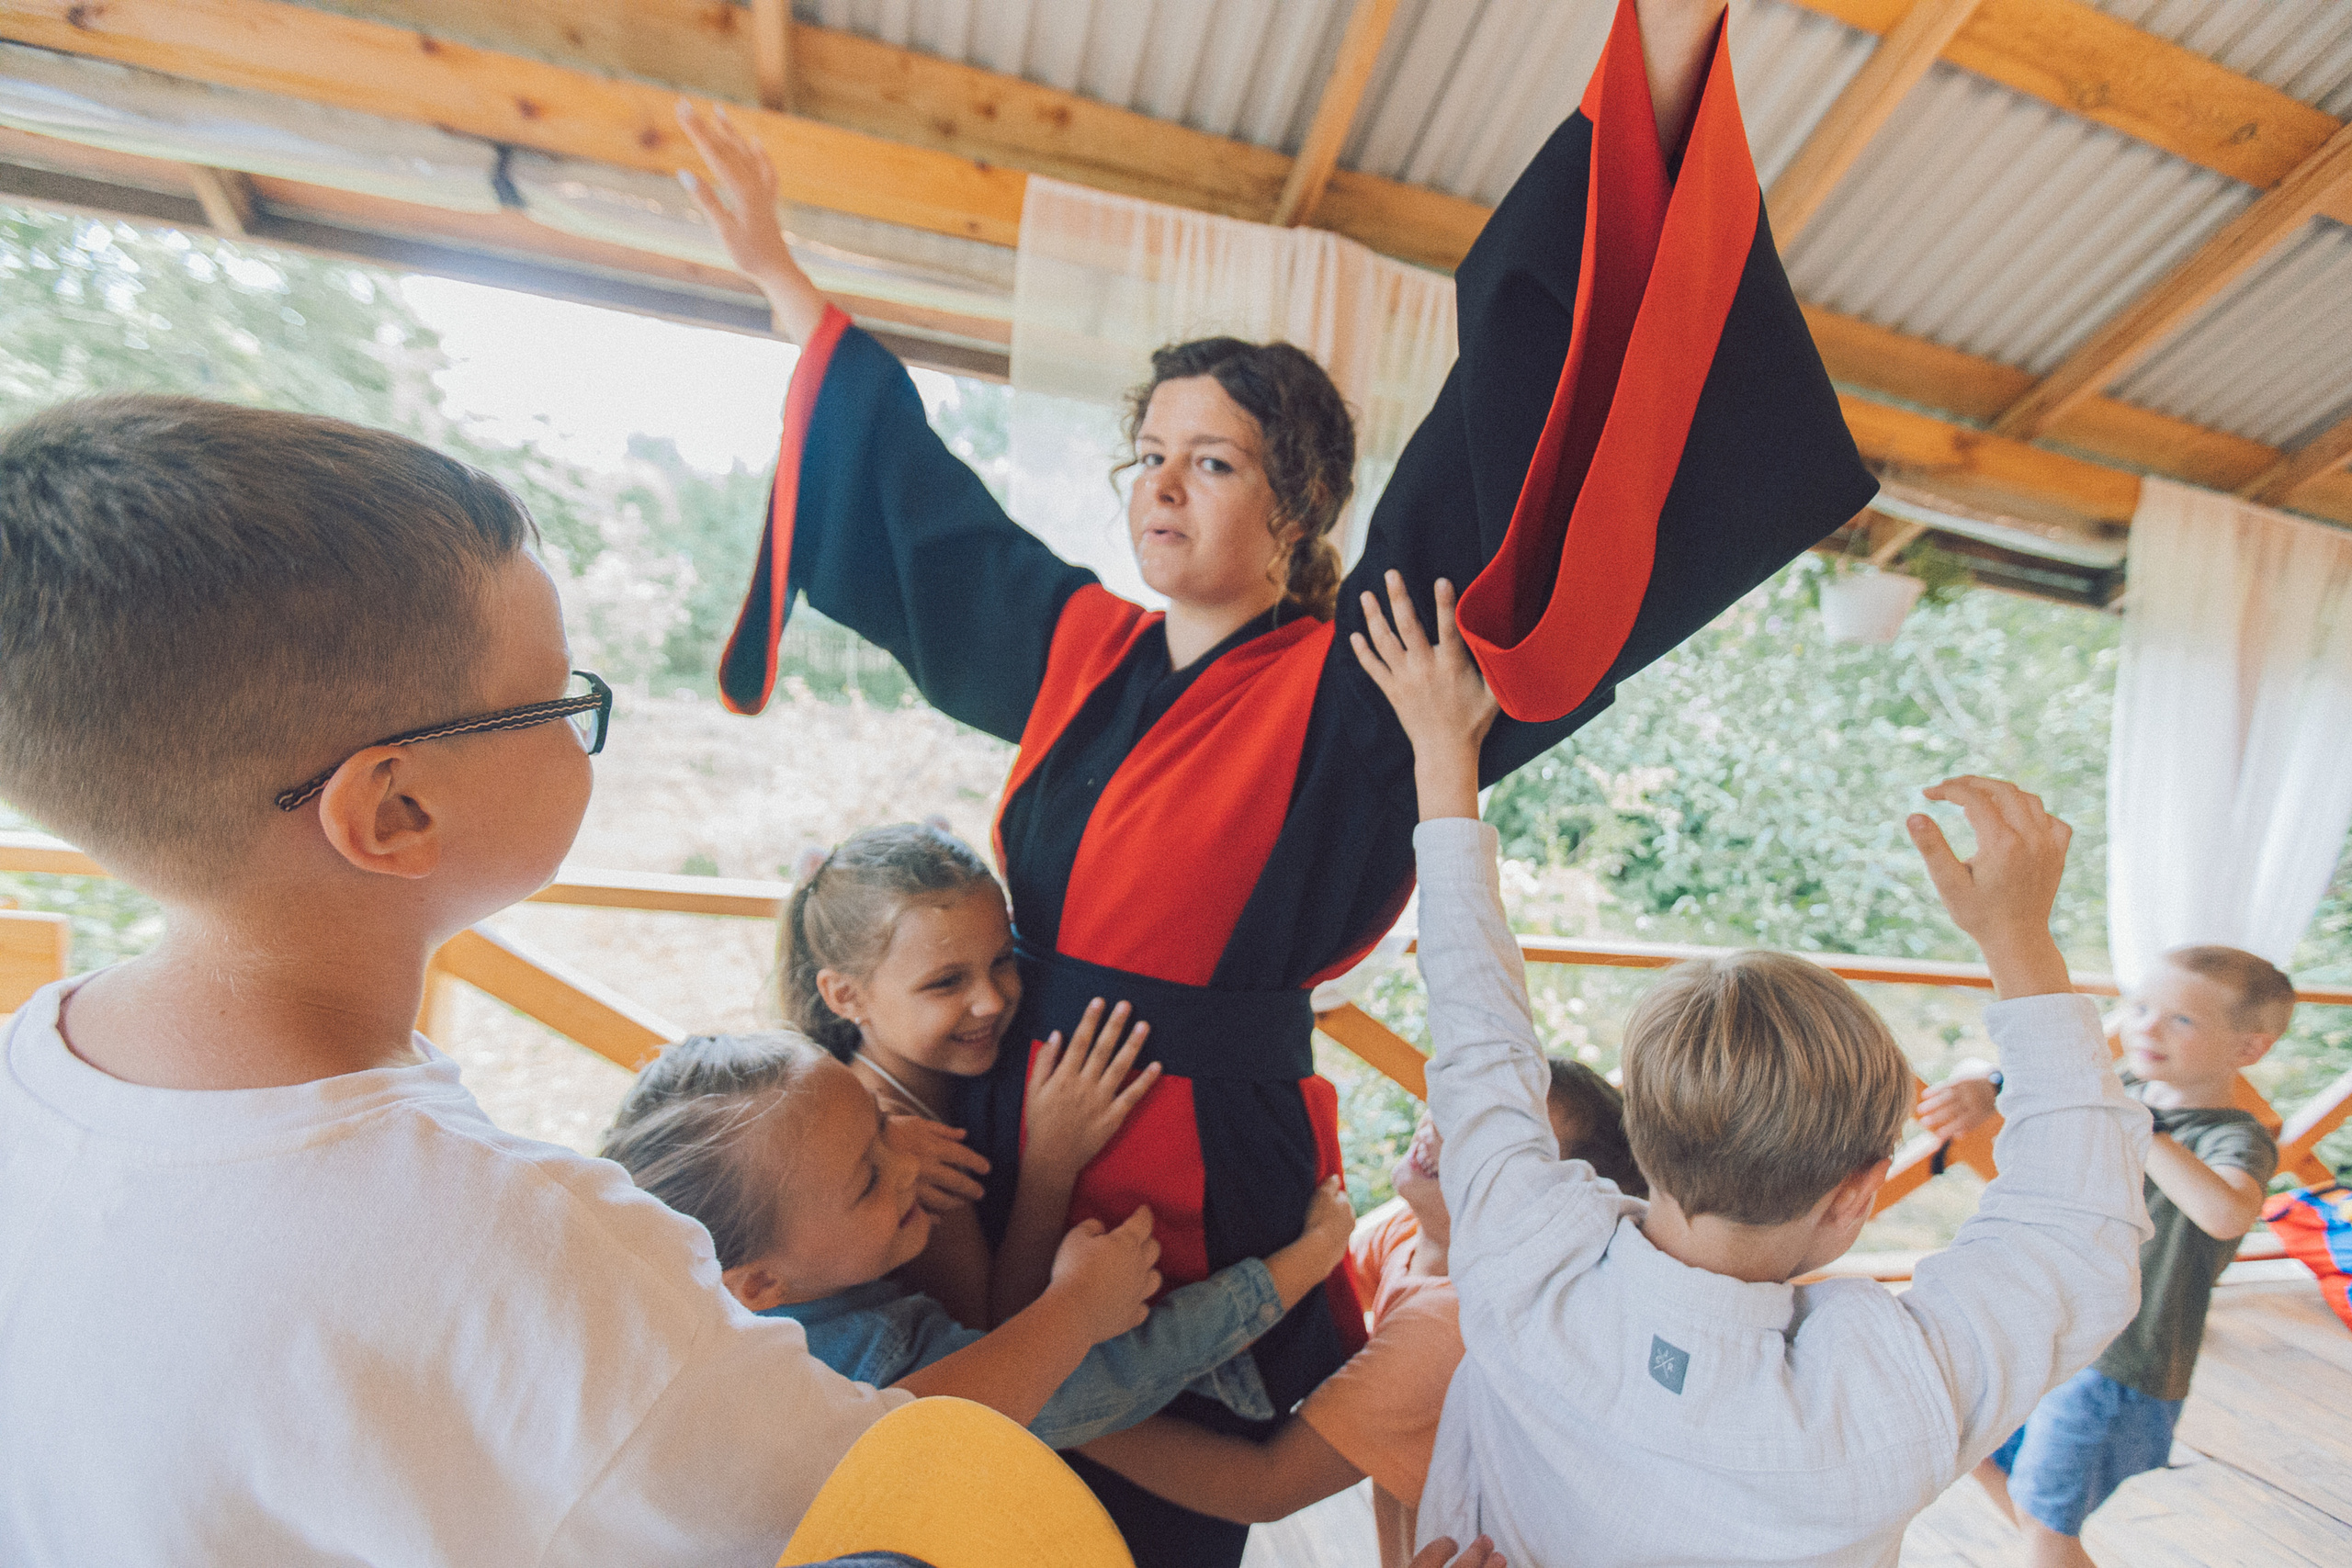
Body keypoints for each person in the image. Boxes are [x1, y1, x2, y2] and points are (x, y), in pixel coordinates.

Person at [681, 0, 1873, 1556]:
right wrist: (783, 279)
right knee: (977, 1486)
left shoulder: (1354, 667)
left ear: (1298, 505)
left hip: (1210, 1139)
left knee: (1170, 1498)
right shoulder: (1077, 646)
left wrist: (1648, 90)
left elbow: (1505, 440)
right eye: (1150, 454)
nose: (1164, 486)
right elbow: (924, 518)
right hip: (1025, 1103)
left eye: (1216, 459)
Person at [0, 396, 922, 1564]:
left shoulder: (28, 1083)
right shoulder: (538, 1263)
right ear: (395, 810)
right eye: (558, 696)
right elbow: (898, 1500)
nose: (585, 717)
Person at [1343, 572, 2153, 1566]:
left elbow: (1476, 1025)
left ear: (1643, 1134)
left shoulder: (1521, 1262)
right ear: (1857, 1195)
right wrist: (2017, 937)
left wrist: (1444, 756)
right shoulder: (1887, 1403)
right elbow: (2079, 1228)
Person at [600, 1031, 1353, 1450]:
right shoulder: (861, 1367)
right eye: (868, 1178)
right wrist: (1305, 1259)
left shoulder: (737, 1267)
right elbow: (1093, 1383)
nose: (908, 1165)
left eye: (883, 1122)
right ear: (759, 1284)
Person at [1082, 1061, 1641, 1568]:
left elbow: (1263, 1484)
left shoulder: (1450, 1327)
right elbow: (1325, 1296)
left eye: (1487, 1142)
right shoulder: (1418, 1230)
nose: (1444, 1128)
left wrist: (1057, 1413)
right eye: (1462, 1102)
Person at [1921, 945, 2290, 1566]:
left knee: (2046, 1522)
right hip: (2056, 1332)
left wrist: (2140, 1124)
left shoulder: (2232, 1134)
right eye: (2141, 1006)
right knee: (1966, 1443)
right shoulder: (2125, 1094)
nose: (2145, 1025)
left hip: (2123, 1358)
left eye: (2182, 1019)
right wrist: (1987, 1084)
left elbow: (2227, 1211)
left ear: (2247, 1048)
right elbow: (2045, 1087)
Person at [778, 823, 1170, 1338]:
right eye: (946, 982)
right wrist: (1052, 1163)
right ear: (846, 996)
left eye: (1002, 961)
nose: (992, 1001)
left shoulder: (923, 1085)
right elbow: (993, 1333)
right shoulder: (900, 1143)